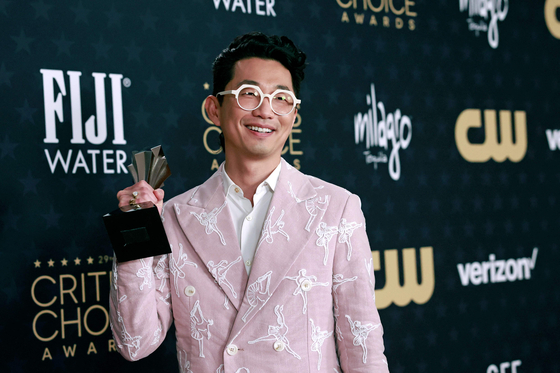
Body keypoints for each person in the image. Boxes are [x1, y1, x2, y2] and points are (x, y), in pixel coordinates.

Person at [110, 32, 389, 373]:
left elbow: (362, 345)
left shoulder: (335, 208)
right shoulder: (175, 217)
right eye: (248, 94)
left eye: (281, 98)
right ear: (214, 108)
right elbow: (135, 343)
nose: (265, 110)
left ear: (294, 114)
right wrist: (135, 228)